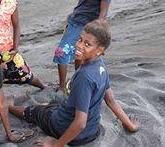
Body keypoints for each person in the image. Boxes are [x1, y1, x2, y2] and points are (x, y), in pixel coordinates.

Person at [9, 20, 139, 146]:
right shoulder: (101, 67)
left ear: (99, 50)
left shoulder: (85, 77)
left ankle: (9, 107)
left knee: (36, 111)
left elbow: (80, 123)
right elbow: (111, 100)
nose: (79, 46)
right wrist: (130, 125)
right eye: (80, 40)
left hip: (71, 133)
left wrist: (56, 145)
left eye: (87, 44)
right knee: (56, 102)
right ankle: (46, 107)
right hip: (92, 130)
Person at [54, 0, 122, 91]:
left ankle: (64, 87)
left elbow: (103, 13)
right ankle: (65, 84)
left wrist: (93, 33)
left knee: (63, 52)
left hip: (86, 27)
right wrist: (70, 18)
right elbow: (83, 1)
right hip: (74, 21)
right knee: (73, 55)